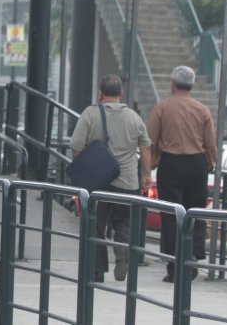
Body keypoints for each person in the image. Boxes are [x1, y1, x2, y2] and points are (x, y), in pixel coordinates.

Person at [69, 74, 152, 283]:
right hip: (128, 182)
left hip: (99, 184)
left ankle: (97, 271)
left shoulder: (90, 114)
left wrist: (85, 172)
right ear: (121, 94)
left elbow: (76, 148)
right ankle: (122, 250)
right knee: (123, 222)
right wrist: (147, 175)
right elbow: (145, 147)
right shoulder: (134, 117)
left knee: (96, 225)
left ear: (100, 93)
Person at [146, 65, 217, 283]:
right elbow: (210, 143)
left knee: (171, 216)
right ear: (192, 85)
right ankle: (193, 256)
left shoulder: (162, 108)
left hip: (171, 164)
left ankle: (174, 265)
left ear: (173, 84)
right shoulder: (202, 110)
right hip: (197, 165)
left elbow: (149, 139)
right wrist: (211, 162)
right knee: (194, 213)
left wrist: (149, 167)